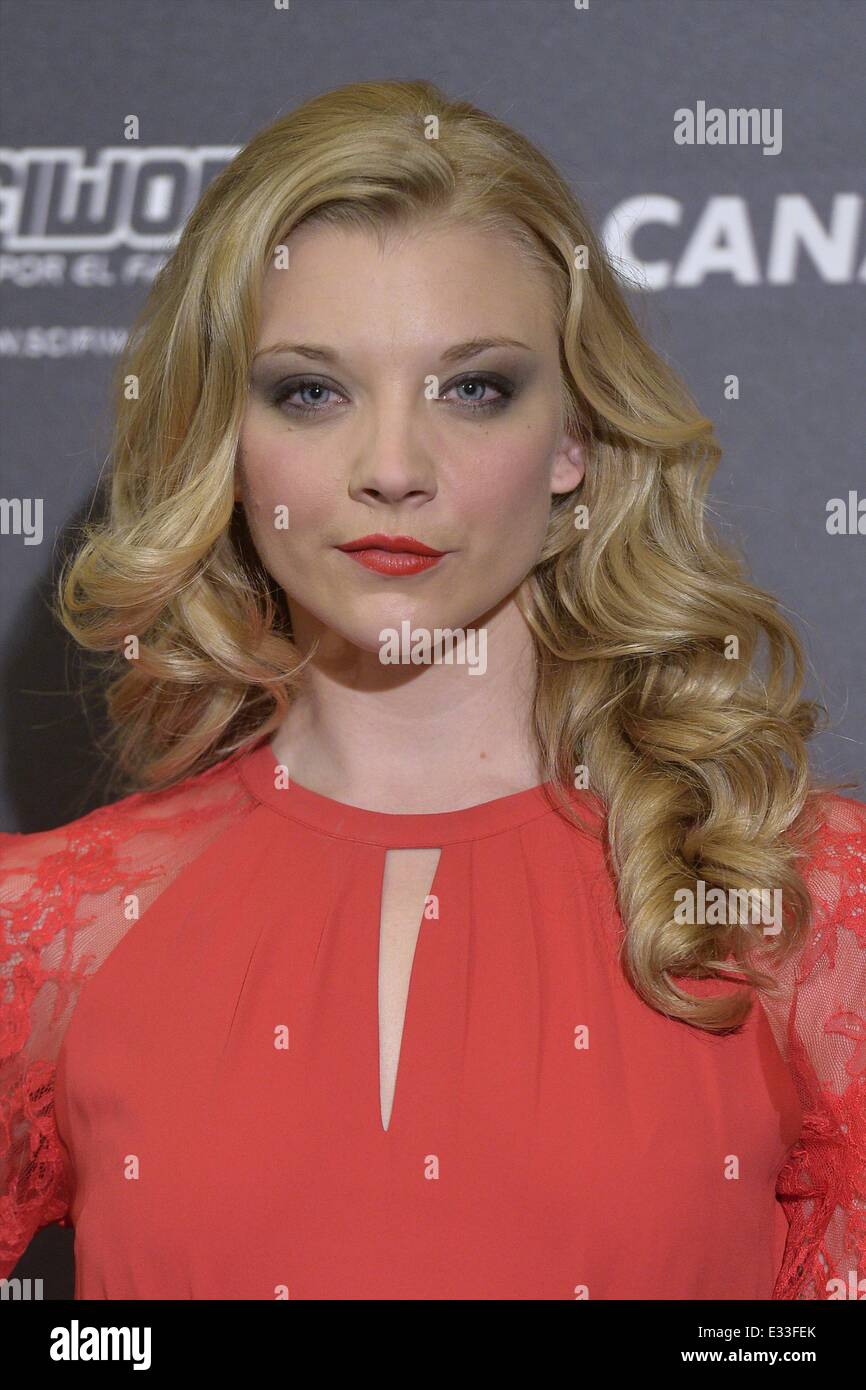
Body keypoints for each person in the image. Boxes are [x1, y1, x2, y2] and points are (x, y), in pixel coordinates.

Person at [1, 79, 863, 1301]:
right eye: (310, 389)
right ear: (220, 441)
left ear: (573, 438)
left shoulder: (802, 904)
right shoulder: (43, 936)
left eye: (472, 389)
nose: (393, 467)